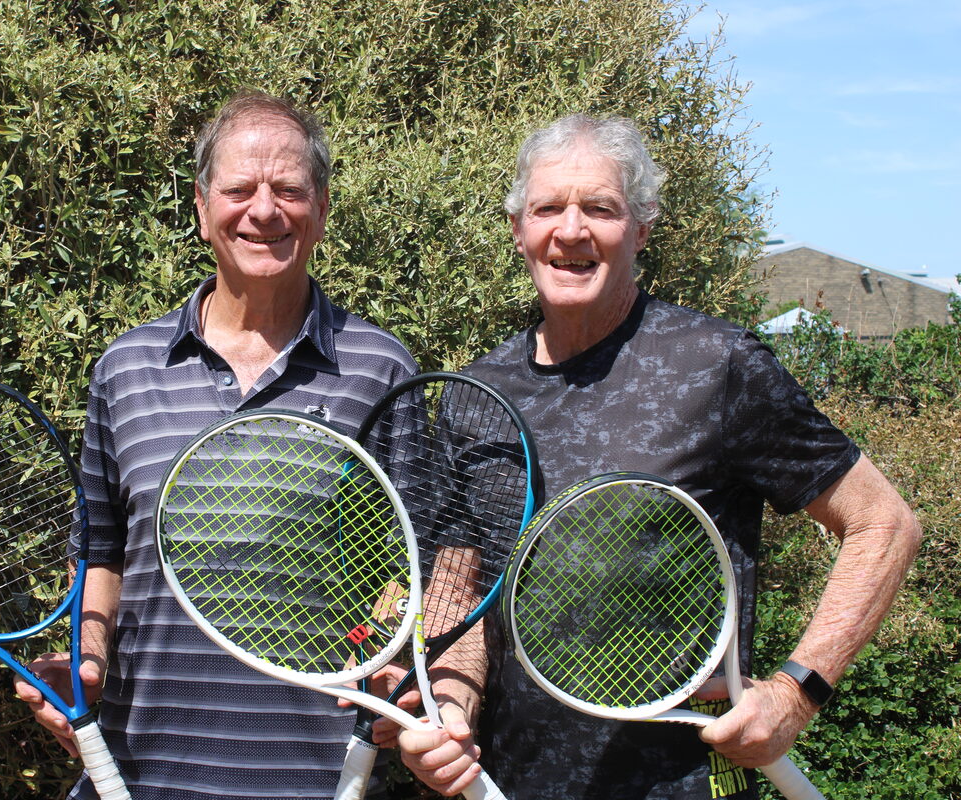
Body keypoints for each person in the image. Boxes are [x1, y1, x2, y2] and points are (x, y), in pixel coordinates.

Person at [391, 114, 922, 799]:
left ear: (641, 228)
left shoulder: (716, 366)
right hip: (507, 784)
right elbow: (459, 595)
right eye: (548, 209)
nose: (571, 231)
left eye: (600, 209)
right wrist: (451, 710)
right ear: (518, 229)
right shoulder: (475, 394)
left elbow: (884, 523)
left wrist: (797, 692)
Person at [13, 90, 417, 800]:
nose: (264, 210)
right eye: (238, 190)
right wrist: (87, 660)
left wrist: (382, 653)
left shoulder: (380, 369)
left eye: (289, 189)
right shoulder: (126, 367)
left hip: (315, 779)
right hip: (137, 774)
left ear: (322, 210)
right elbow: (101, 551)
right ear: (202, 210)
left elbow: (408, 566)